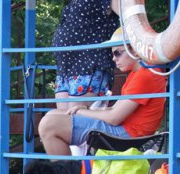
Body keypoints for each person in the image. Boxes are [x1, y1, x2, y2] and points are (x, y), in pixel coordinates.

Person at [39, 28, 167, 156]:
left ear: (135, 50)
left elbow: (114, 118)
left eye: (117, 53)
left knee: (49, 124)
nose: (113, 59)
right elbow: (114, 110)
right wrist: (84, 109)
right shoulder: (139, 73)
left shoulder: (145, 76)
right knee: (52, 114)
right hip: (125, 131)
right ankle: (73, 169)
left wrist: (81, 111)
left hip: (126, 135)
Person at [52, 0, 120, 110]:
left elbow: (127, 15)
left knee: (77, 118)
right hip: (66, 69)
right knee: (62, 120)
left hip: (89, 65)